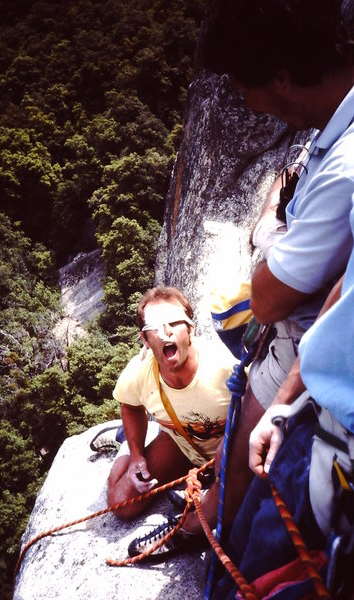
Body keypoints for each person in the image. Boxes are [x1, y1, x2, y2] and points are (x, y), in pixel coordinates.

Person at [127, 0, 354, 562]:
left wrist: (268, 236)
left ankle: (208, 541)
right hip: (311, 339)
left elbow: (269, 296)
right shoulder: (329, 136)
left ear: (280, 74)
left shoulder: (343, 164)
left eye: (243, 86)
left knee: (239, 463)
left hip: (301, 350)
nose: (247, 102)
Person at [105, 285, 236, 522]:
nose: (165, 332)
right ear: (145, 339)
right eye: (154, 327)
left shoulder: (226, 365)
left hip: (229, 450)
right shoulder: (140, 372)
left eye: (174, 322)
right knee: (121, 504)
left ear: (190, 328)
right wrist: (136, 456)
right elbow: (131, 406)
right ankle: (126, 441)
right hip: (180, 444)